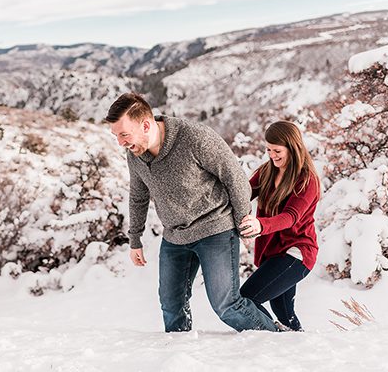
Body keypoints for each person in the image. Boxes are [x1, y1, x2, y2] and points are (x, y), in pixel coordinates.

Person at [104, 92, 276, 332]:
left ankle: (276, 338)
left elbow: (234, 177)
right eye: (116, 136)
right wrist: (135, 239)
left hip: (215, 228)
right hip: (175, 236)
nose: (121, 143)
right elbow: (138, 196)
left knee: (226, 305)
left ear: (145, 125)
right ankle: (180, 354)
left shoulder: (195, 138)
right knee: (171, 305)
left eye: (124, 135)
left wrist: (243, 221)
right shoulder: (135, 154)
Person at [238, 121, 320, 331]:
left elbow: (290, 217)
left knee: (247, 298)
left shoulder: (306, 180)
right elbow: (244, 193)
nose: (272, 155)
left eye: (277, 150)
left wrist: (260, 225)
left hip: (297, 253)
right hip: (273, 252)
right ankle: (295, 341)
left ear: (292, 147)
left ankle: (272, 335)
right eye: (268, 150)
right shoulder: (267, 171)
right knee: (285, 313)